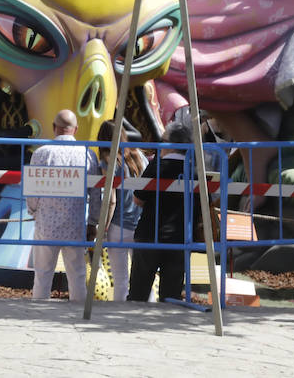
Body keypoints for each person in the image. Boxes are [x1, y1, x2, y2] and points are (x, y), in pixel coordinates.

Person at [27, 109, 101, 303]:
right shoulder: (87, 155)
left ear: (54, 128)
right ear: (75, 129)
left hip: (46, 225)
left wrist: (33, 211)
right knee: (77, 275)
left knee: (42, 274)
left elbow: (32, 191)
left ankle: (38, 312)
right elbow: (95, 193)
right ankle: (77, 313)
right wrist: (93, 222)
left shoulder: (41, 154)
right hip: (75, 226)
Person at [128, 116, 197, 303]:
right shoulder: (193, 171)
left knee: (138, 291)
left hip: (150, 233)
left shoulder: (156, 166)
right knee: (171, 294)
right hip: (180, 237)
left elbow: (137, 199)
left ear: (169, 144)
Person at [88, 120, 144, 304]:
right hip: (140, 225)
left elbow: (111, 200)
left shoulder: (108, 161)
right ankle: (145, 310)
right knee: (142, 278)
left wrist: (102, 227)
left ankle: (119, 312)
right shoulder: (139, 156)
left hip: (119, 226)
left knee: (121, 280)